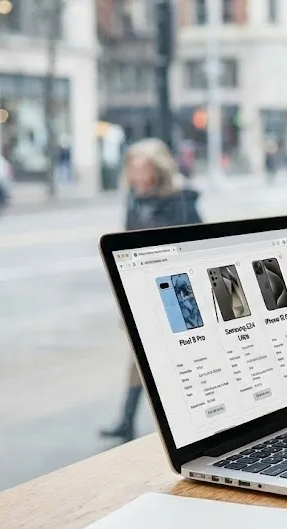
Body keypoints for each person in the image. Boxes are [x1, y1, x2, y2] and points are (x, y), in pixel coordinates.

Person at [100, 138, 203, 442]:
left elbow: (194, 245)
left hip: (175, 291)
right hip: (142, 290)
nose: (138, 176)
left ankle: (196, 420)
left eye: (143, 169)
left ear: (158, 170)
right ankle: (126, 421)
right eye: (133, 169)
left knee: (183, 358)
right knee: (139, 358)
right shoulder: (134, 198)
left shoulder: (180, 200)